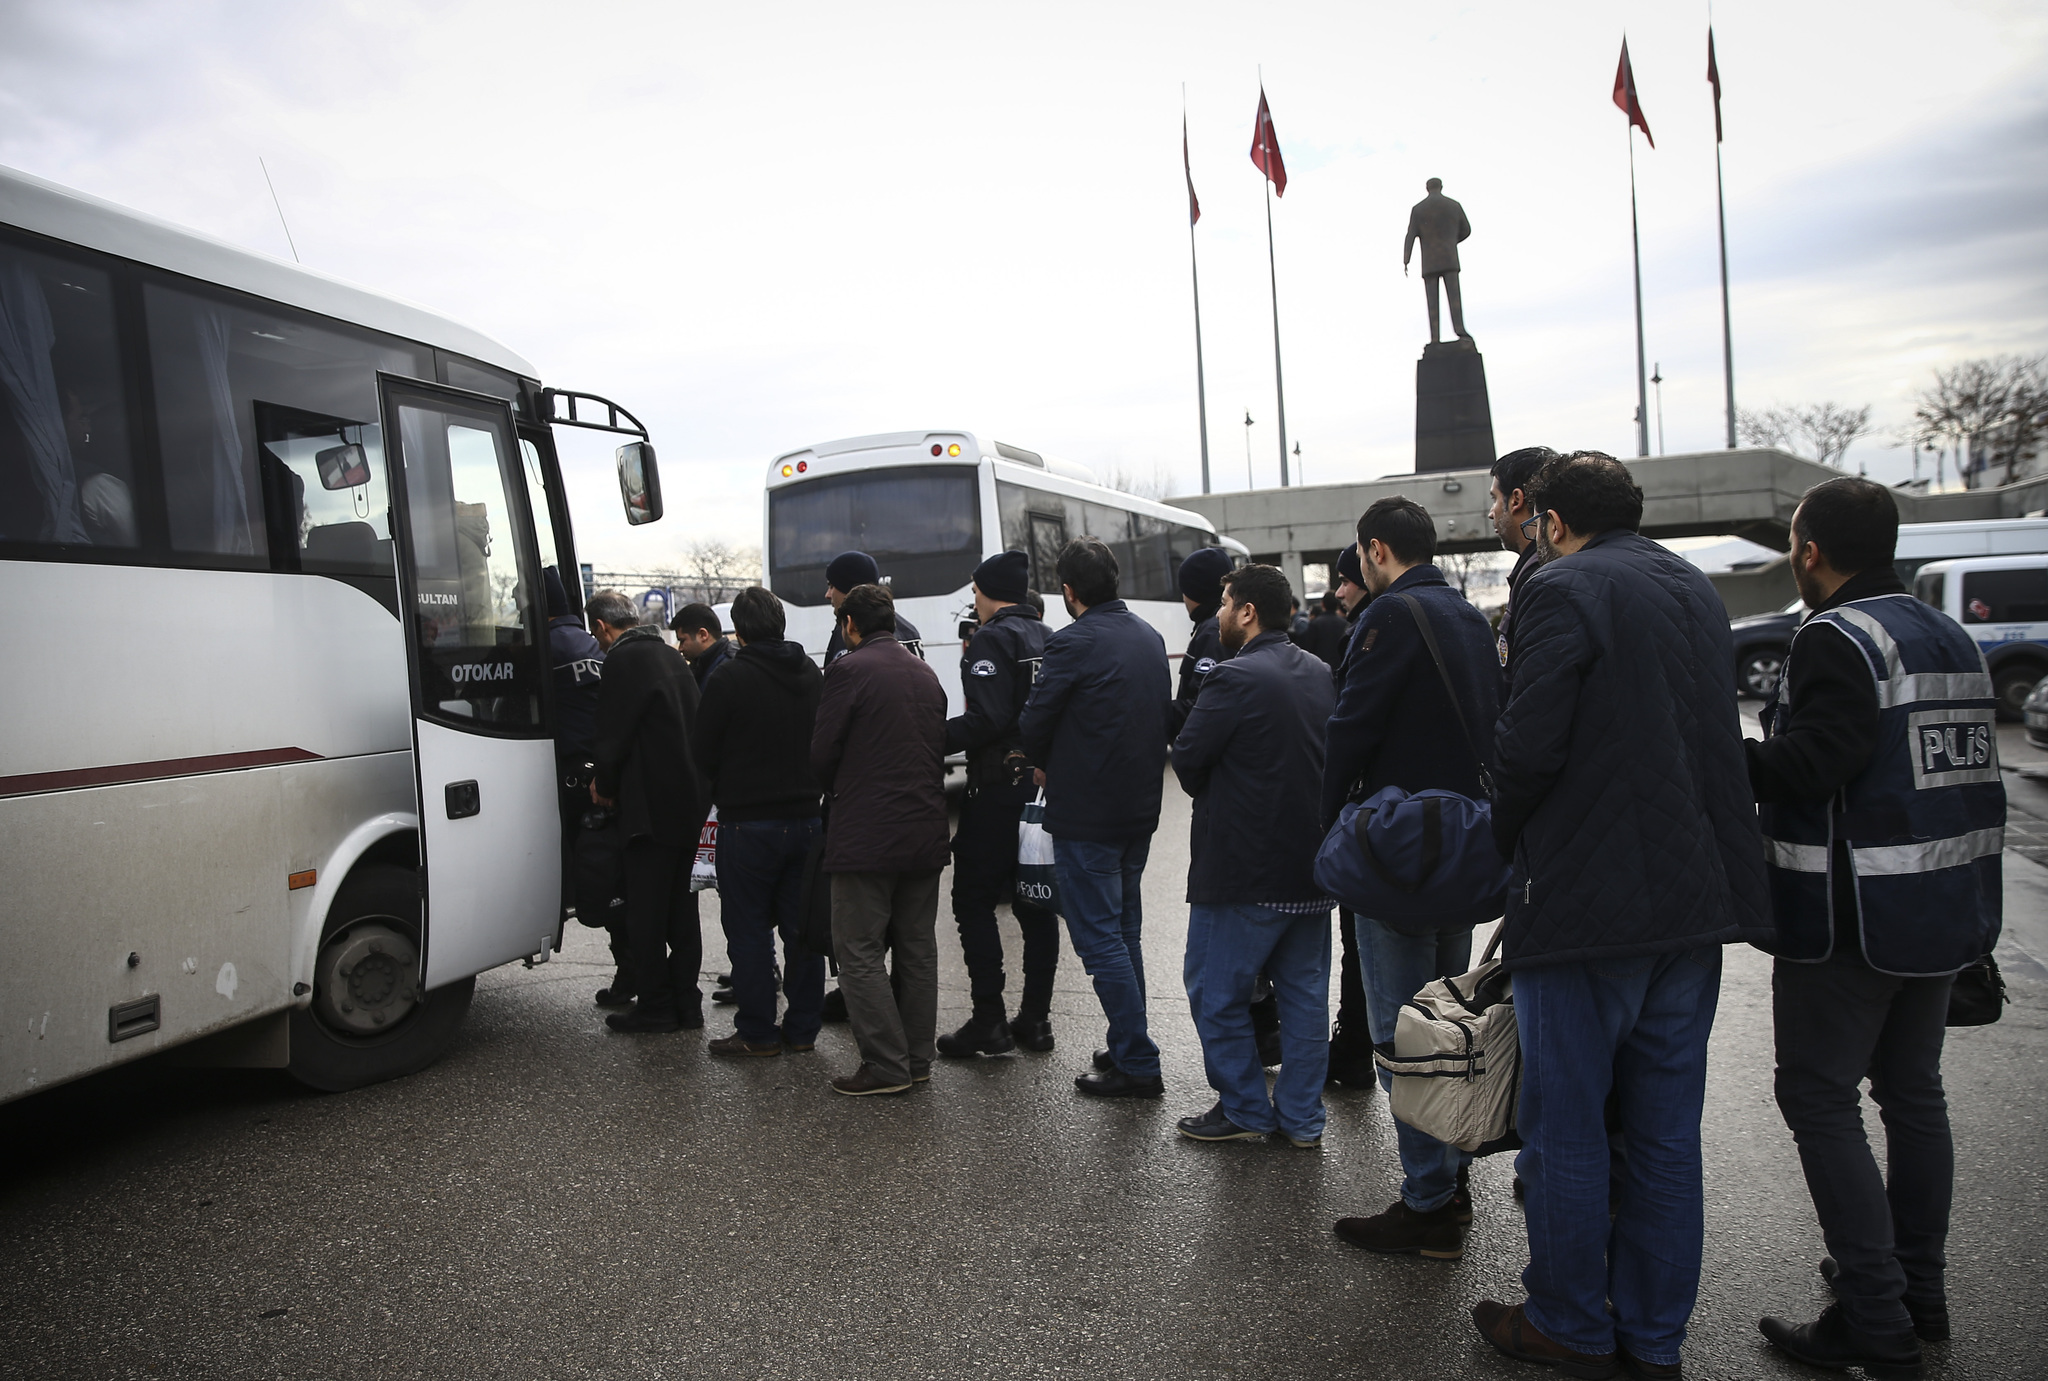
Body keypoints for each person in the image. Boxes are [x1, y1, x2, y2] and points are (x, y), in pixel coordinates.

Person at [1475, 453, 1770, 1379]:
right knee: (1663, 1132)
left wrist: (1504, 841)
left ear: (1551, 520)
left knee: (1566, 1124)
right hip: (1694, 903)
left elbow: (1529, 746)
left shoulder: (1562, 589)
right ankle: (1654, 1335)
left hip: (1587, 908)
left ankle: (1567, 1319)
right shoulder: (1692, 586)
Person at [1749, 478, 2003, 1378]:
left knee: (1817, 1097)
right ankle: (1918, 1289)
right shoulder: (1946, 634)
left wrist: (1724, 760)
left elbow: (1815, 763)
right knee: (1912, 1093)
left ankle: (1874, 1316)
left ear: (1809, 549)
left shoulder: (1835, 636)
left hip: (1853, 917)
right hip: (1943, 908)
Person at [1321, 499, 1501, 1258]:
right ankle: (1450, 1178)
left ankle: (1427, 1202)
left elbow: (1350, 726)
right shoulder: (1465, 616)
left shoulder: (1388, 617)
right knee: (1447, 1017)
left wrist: (1326, 823)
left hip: (1399, 848)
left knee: (1403, 1035)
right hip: (1461, 845)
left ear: (1375, 549)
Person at [1170, 563, 1336, 1144]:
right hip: (1312, 870)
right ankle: (1302, 1119)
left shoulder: (1234, 678)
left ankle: (1243, 1106)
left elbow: (1188, 759)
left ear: (1247, 612)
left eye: (1224, 602)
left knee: (1216, 993)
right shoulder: (1319, 672)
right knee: (1305, 1001)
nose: (1218, 613)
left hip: (1241, 869)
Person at [1018, 537, 1172, 1099]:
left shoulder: (1072, 642)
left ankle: (1137, 1060)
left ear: (1068, 591)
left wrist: (1043, 758)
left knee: (1099, 938)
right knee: (1123, 931)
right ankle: (1127, 1038)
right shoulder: (1149, 636)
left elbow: (1035, 722)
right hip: (1138, 809)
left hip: (1087, 812)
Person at [811, 583, 950, 1095]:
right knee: (917, 947)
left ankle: (885, 1065)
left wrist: (835, 788)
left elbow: (823, 752)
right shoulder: (924, 671)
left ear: (850, 625)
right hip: (925, 828)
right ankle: (916, 1060)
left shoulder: (847, 671)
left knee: (859, 950)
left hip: (866, 834)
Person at [693, 586, 827, 1059]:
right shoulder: (812, 672)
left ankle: (757, 1030)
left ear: (740, 630)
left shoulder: (729, 679)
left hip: (747, 823)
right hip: (808, 820)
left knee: (748, 929)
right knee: (802, 930)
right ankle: (804, 1028)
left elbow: (702, 751)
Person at [936, 550, 1059, 1058]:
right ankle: (1035, 1019)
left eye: (976, 591)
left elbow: (985, 719)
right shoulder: (1049, 638)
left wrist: (926, 736)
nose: (974, 600)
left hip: (996, 791)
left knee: (971, 900)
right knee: (1037, 905)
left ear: (990, 592)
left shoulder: (992, 637)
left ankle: (989, 1019)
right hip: (1041, 792)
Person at [587, 590, 711, 1034]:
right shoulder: (671, 658)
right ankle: (688, 1004)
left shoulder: (623, 661)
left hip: (650, 811)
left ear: (603, 626)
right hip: (688, 805)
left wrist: (604, 783)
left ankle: (656, 1005)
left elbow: (613, 733)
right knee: (683, 914)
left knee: (644, 914)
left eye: (596, 634)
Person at [1323, 538, 1377, 1090]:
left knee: (1360, 943)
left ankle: (1355, 1048)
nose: (1340, 591)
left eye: (1345, 579)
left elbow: (1348, 729)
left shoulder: (1370, 632)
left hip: (1374, 816)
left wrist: (1328, 813)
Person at [1486, 446, 1560, 686]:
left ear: (1516, 499)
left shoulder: (1539, 574)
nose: (1491, 513)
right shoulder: (1544, 566)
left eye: (1495, 498)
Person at [1166, 546, 1233, 739]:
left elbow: (1203, 706)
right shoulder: (1215, 626)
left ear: (1195, 592)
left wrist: (1155, 711)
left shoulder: (1213, 632)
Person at [822, 551, 923, 662]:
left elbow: (841, 677)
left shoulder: (850, 629)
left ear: (849, 590)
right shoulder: (909, 631)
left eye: (832, 586)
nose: (827, 595)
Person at [670, 602, 733, 689]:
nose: (680, 648)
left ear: (703, 635)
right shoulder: (702, 668)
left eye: (682, 640)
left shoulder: (726, 670)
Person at [1301, 591, 1349, 669]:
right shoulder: (1345, 624)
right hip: (1340, 666)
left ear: (1322, 604)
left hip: (1320, 667)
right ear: (1337, 605)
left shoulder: (1315, 623)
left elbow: (1309, 648)